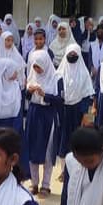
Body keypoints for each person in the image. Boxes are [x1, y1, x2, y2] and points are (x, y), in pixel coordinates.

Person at [23, 49, 64, 195]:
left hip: (48, 115)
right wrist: (29, 91)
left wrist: (45, 95)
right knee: (33, 148)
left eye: (39, 67)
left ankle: (46, 185)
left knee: (48, 150)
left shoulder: (56, 78)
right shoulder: (32, 76)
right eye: (34, 66)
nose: (37, 70)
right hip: (34, 114)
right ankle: (34, 183)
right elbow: (26, 97)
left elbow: (60, 100)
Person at [56, 44, 94, 162]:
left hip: (78, 111)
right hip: (63, 111)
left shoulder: (84, 74)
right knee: (63, 141)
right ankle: (63, 168)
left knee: (78, 140)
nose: (72, 55)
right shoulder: (59, 73)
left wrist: (86, 116)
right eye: (70, 53)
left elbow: (88, 96)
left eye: (74, 53)